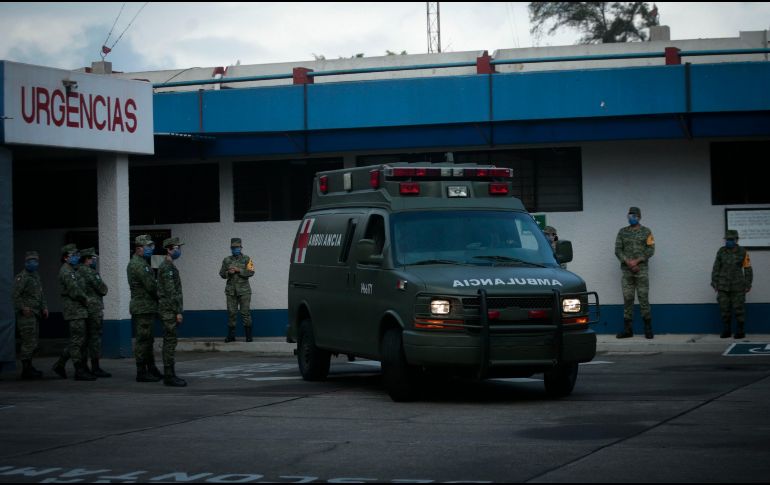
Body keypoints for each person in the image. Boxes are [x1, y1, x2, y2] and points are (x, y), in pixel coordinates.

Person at [52, 244, 96, 381]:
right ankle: (78, 370)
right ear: (65, 258)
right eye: (73, 256)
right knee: (77, 341)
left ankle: (60, 365)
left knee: (79, 340)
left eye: (77, 255)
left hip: (80, 309)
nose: (77, 258)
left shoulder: (74, 270)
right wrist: (87, 299)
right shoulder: (66, 271)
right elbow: (75, 291)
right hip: (74, 310)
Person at [614, 206, 655, 339]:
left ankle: (648, 329)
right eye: (629, 215)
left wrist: (637, 261)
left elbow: (651, 250)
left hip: (641, 271)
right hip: (627, 273)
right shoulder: (622, 232)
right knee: (628, 299)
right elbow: (618, 250)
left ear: (639, 217)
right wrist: (628, 262)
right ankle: (628, 330)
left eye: (634, 216)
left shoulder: (646, 232)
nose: (631, 218)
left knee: (643, 299)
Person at [127, 234, 163, 383]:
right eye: (148, 247)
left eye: (152, 246)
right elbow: (151, 286)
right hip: (142, 307)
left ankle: (151, 368)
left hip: (146, 307)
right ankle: (141, 372)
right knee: (143, 341)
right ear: (138, 248)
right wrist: (162, 295)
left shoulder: (142, 262)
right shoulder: (138, 265)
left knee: (148, 340)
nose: (151, 249)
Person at [12, 250, 48, 380]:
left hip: (36, 313)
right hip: (26, 315)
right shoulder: (22, 277)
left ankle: (30, 366)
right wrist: (23, 307)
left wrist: (44, 307)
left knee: (33, 342)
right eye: (30, 261)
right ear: (26, 262)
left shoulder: (35, 276)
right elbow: (15, 295)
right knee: (28, 342)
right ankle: (26, 370)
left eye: (36, 261)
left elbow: (40, 293)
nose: (33, 263)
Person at [711, 229, 752, 339]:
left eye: (731, 239)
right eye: (727, 239)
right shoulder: (721, 251)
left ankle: (740, 330)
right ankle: (727, 330)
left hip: (738, 286)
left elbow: (747, 268)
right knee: (724, 309)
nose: (728, 241)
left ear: (736, 240)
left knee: (739, 308)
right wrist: (714, 282)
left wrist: (748, 284)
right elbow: (716, 267)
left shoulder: (743, 252)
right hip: (723, 286)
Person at [157, 237, 187, 387]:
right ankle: (169, 375)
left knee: (171, 341)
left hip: (169, 309)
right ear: (169, 249)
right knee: (169, 342)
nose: (179, 250)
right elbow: (171, 292)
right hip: (169, 310)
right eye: (176, 248)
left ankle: (170, 373)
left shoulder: (169, 266)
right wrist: (177, 311)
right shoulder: (167, 267)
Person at [78, 248, 111, 378]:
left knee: (84, 339)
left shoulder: (77, 271)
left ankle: (83, 366)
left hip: (83, 309)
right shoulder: (90, 272)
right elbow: (103, 289)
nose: (95, 260)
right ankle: (95, 367)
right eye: (93, 258)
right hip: (93, 309)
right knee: (94, 338)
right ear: (87, 259)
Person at [219, 237, 255, 342]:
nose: (236, 249)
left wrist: (239, 270)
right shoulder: (226, 260)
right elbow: (221, 274)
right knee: (231, 313)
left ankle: (248, 336)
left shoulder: (247, 259)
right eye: (234, 247)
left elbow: (251, 272)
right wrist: (228, 273)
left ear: (241, 247)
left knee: (245, 312)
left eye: (238, 247)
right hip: (231, 291)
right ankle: (231, 336)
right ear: (231, 248)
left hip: (244, 291)